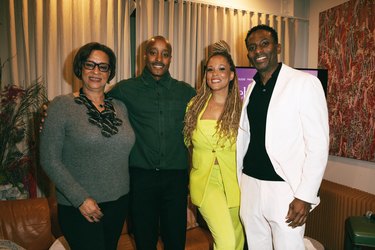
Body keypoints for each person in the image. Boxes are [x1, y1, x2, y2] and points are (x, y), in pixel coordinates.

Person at [237, 24, 329, 249]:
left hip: (284, 189)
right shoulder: (252, 88)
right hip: (250, 185)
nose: (258, 51)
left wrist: (305, 196)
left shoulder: (304, 83)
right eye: (252, 47)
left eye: (264, 44)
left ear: (277, 47)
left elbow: (317, 145)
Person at [39, 42, 135, 250]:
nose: (96, 72)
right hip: (79, 206)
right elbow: (49, 159)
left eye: (103, 67)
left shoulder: (120, 107)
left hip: (118, 203)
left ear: (110, 72)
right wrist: (80, 199)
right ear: (80, 67)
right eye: (90, 65)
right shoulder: (61, 106)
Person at [108, 36, 196, 250]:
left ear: (170, 58)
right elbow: (96, 99)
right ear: (144, 56)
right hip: (141, 178)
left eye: (165, 54)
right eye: (153, 52)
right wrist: (54, 106)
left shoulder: (186, 92)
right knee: (145, 241)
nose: (159, 58)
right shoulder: (125, 89)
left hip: (175, 178)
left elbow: (214, 109)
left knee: (176, 241)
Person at [183, 41, 245, 250]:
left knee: (237, 241)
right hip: (206, 182)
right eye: (210, 69)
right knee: (226, 242)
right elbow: (184, 143)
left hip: (236, 183)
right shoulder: (194, 106)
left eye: (221, 69)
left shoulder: (242, 110)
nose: (214, 74)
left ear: (231, 75)